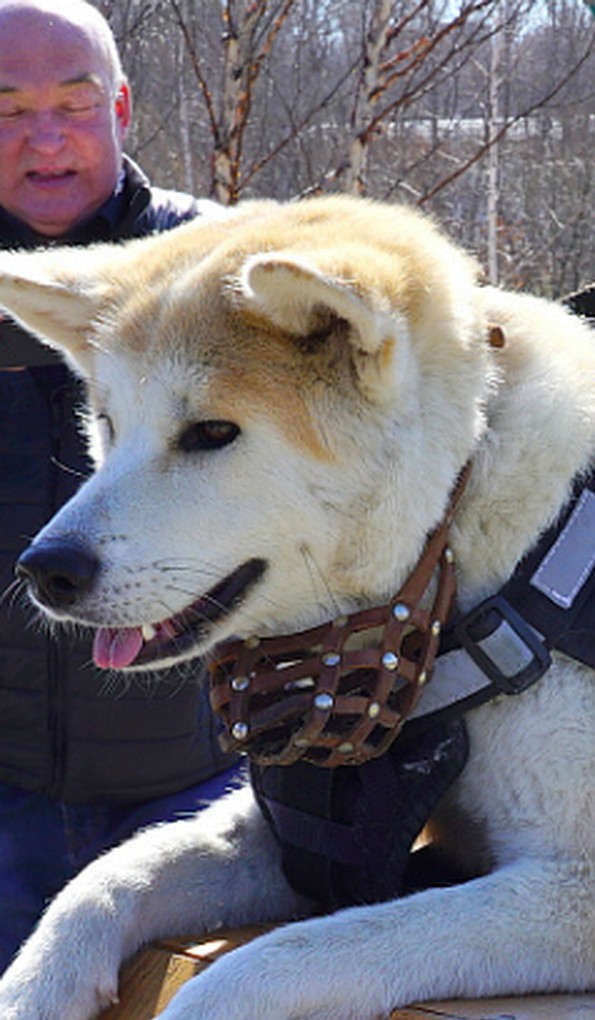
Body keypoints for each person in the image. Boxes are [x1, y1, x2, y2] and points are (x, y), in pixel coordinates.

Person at [0, 0, 240, 969]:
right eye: (8, 110)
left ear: (123, 108)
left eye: (74, 102)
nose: (45, 139)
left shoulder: (217, 267)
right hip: (5, 801)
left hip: (195, 795)